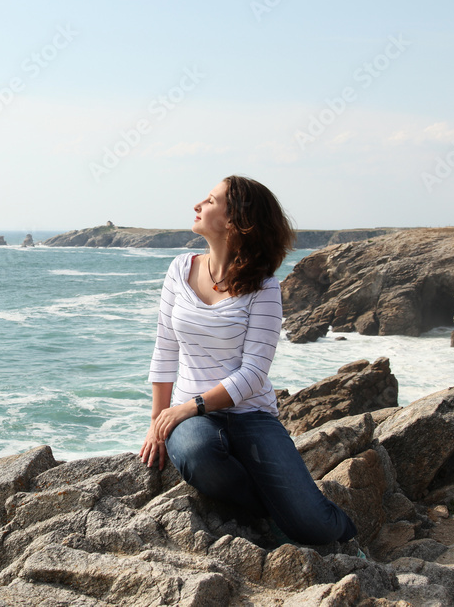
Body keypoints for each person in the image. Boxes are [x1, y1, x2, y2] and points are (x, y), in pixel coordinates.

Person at [139, 175, 356, 546]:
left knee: (314, 526)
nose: (197, 205)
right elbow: (165, 350)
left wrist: (189, 407)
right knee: (196, 453)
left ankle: (339, 531)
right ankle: (271, 512)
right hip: (194, 421)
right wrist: (158, 421)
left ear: (234, 221)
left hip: (251, 415)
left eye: (209, 201)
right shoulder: (180, 269)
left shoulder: (265, 287)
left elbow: (254, 374)